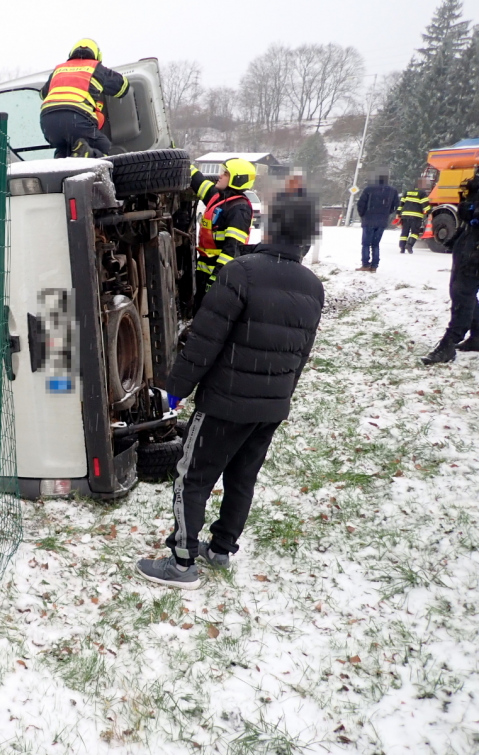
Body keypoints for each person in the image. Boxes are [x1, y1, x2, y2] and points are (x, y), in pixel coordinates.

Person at [135, 190, 325, 589]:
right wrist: (280, 396)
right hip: (270, 408)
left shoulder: (242, 271)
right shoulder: (312, 285)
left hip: (225, 404)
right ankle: (221, 550)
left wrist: (178, 387)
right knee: (242, 478)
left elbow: (205, 339)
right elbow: (301, 353)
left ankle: (182, 562)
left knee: (193, 477)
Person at [422, 169, 479, 364]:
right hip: (470, 242)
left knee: (462, 292)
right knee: (465, 292)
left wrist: (471, 209)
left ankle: (449, 343)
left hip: (475, 247)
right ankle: (476, 336)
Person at [39, 39, 128, 158]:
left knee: (64, 148)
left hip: (48, 123)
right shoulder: (96, 68)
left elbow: (42, 94)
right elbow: (123, 87)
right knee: (103, 145)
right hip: (76, 119)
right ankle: (87, 154)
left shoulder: (59, 69)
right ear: (97, 56)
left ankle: (61, 164)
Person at [190, 159, 255, 305]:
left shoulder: (239, 209)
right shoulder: (219, 197)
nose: (220, 175)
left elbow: (232, 250)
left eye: (225, 173)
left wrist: (216, 280)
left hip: (218, 275)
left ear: (237, 179)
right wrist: (182, 162)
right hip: (206, 270)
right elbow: (199, 182)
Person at [355, 173, 400, 271]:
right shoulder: (392, 191)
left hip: (369, 220)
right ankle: (374, 266)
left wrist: (363, 215)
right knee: (376, 244)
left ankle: (365, 264)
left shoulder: (369, 189)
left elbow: (361, 204)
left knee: (366, 244)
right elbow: (396, 205)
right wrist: (386, 213)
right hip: (382, 221)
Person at [397, 179, 432, 254]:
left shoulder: (407, 192)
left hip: (405, 215)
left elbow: (401, 204)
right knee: (415, 232)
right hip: (416, 216)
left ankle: (402, 247)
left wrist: (398, 214)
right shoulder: (422, 193)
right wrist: (430, 213)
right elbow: (425, 205)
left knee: (404, 232)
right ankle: (409, 245)